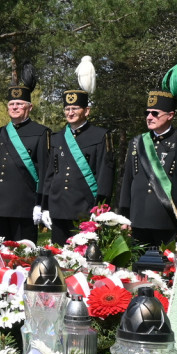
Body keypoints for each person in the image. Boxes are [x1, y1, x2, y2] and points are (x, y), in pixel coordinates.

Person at [118, 89, 177, 248]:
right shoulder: (137, 142)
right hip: (138, 219)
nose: (149, 117)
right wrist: (125, 217)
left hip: (166, 220)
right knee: (137, 269)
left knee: (165, 269)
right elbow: (128, 181)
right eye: (147, 113)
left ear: (170, 115)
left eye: (155, 113)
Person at [41, 89, 115, 246]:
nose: (70, 112)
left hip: (84, 208)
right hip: (58, 206)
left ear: (87, 111)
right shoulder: (57, 137)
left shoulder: (100, 135)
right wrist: (45, 206)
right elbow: (50, 174)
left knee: (84, 258)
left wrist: (100, 209)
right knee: (59, 256)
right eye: (67, 109)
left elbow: (105, 173)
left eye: (75, 108)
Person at [0, 84, 50, 243]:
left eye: (20, 104)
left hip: (25, 205)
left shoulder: (42, 132)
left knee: (24, 257)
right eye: (11, 104)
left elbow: (45, 172)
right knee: (0, 257)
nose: (15, 107)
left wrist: (41, 204)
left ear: (30, 107)